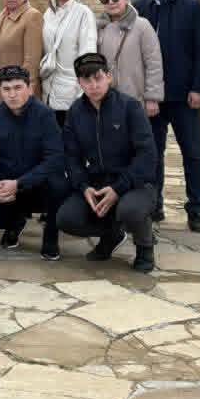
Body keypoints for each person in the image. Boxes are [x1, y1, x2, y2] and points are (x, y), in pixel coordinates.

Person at [58, 53, 158, 271]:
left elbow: (147, 155)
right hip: (97, 183)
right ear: (79, 82)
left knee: (130, 210)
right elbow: (71, 157)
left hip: (135, 184)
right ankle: (112, 235)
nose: (94, 85)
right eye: (87, 80)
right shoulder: (75, 112)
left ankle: (145, 246)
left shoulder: (130, 107)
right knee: (67, 218)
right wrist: (84, 187)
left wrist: (118, 188)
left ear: (109, 77)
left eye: (98, 78)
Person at [134, 0, 200, 232]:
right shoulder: (140, 8)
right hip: (152, 97)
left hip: (185, 96)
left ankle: (195, 209)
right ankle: (154, 205)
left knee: (193, 153)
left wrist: (199, 88)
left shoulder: (193, 6)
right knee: (152, 154)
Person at [0, 65, 68, 260]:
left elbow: (55, 158)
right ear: (0, 91)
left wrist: (20, 183)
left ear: (29, 89)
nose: (12, 94)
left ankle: (51, 235)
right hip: (6, 183)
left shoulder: (45, 115)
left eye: (18, 88)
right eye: (6, 89)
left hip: (38, 184)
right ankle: (15, 221)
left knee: (59, 184)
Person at [96, 0, 164, 123]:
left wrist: (152, 97)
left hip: (135, 98)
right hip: (106, 99)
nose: (111, 2)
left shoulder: (142, 25)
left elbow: (154, 63)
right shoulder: (99, 28)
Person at [41, 0, 97, 124]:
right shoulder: (48, 13)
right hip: (48, 86)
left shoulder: (83, 13)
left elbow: (88, 52)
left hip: (72, 87)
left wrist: (84, 86)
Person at [0, 0, 44, 103]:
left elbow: (32, 60)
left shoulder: (32, 16)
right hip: (1, 86)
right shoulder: (1, 17)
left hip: (18, 90)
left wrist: (25, 90)